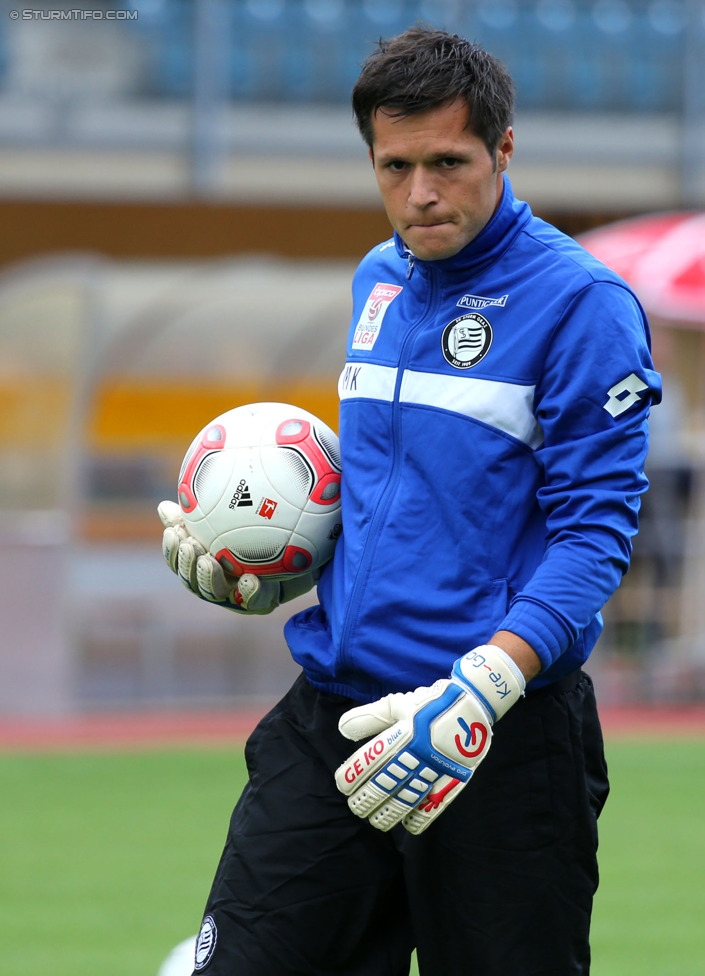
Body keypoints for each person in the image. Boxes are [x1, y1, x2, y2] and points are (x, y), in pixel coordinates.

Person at [158, 26, 661, 976]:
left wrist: (486, 687)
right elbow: (398, 497)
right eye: (395, 166)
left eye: (448, 162)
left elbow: (595, 535)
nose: (421, 193)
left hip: (500, 747)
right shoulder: (376, 277)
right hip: (334, 721)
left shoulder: (581, 303)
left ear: (502, 150)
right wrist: (268, 568)